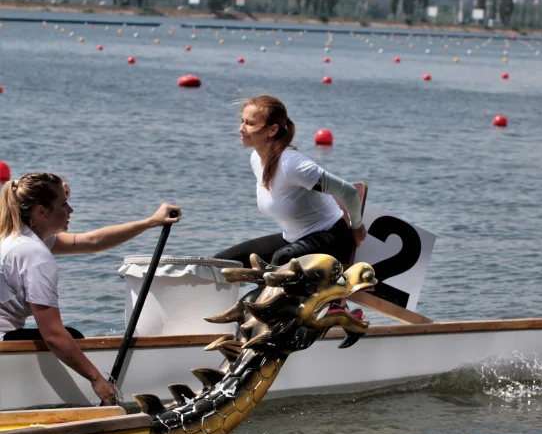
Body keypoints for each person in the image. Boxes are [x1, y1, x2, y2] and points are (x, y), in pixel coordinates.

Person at [0, 172, 182, 405]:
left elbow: (93, 241)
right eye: (64, 204)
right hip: (4, 343)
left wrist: (151, 222)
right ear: (41, 211)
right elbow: (53, 336)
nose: (71, 210)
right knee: (71, 338)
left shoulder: (15, 235)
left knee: (71, 340)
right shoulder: (34, 255)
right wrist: (96, 378)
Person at [215, 95, 367, 273]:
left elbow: (348, 191)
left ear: (272, 130)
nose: (241, 129)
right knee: (221, 262)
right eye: (242, 121)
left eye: (249, 123)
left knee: (282, 259)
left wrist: (357, 227)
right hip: (294, 240)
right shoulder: (256, 159)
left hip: (332, 239)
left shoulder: (294, 166)